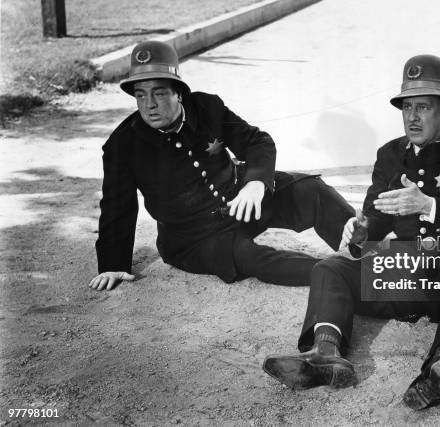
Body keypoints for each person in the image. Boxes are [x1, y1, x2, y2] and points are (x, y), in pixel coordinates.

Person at [263, 55, 440, 409]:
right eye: (406, 107)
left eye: (423, 107)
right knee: (330, 267)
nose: (412, 117)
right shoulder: (390, 155)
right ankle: (325, 353)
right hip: (404, 276)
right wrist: (361, 231)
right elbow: (375, 220)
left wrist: (428, 205)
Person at [88, 40, 354, 291]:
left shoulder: (206, 108)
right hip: (193, 239)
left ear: (179, 93)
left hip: (241, 203)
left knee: (313, 191)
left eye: (159, 93)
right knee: (250, 257)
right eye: (140, 95)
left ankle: (379, 264)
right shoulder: (123, 144)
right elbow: (116, 206)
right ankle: (345, 276)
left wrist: (256, 183)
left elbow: (257, 142)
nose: (149, 105)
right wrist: (112, 264)